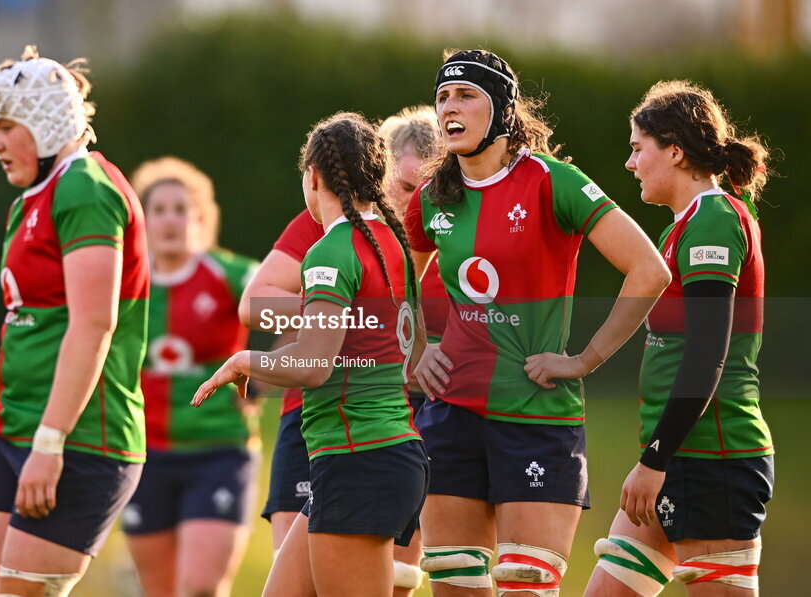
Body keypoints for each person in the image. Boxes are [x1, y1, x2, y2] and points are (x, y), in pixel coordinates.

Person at [405, 49, 670, 596]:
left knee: (525, 584)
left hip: (536, 417)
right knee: (454, 583)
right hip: (450, 418)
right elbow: (393, 282)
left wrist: (584, 359)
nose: (449, 108)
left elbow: (649, 270)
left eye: (466, 96)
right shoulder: (431, 197)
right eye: (442, 98)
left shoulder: (555, 182)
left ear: (502, 109)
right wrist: (415, 351)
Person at [195, 112, 428, 597]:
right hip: (382, 454)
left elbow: (311, 366)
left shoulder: (331, 249)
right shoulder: (394, 244)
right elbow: (414, 352)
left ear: (314, 176)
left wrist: (244, 362)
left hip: (358, 458)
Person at [583, 80, 774, 597]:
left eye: (636, 148)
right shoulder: (683, 226)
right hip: (679, 456)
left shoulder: (712, 219)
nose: (629, 163)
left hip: (713, 457)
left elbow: (708, 353)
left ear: (674, 149)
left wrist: (654, 460)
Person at [0, 45, 149, 597]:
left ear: (48, 122)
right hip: (12, 433)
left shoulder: (84, 188)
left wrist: (49, 445)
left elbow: (94, 324)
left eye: (6, 126)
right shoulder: (30, 198)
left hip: (76, 441)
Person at [118, 157, 259, 597]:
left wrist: (267, 376)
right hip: (144, 454)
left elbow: (302, 308)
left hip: (217, 450)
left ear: (200, 218)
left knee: (199, 588)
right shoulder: (122, 282)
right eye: (158, 210)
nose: (170, 220)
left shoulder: (232, 275)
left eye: (182, 209)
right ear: (142, 219)